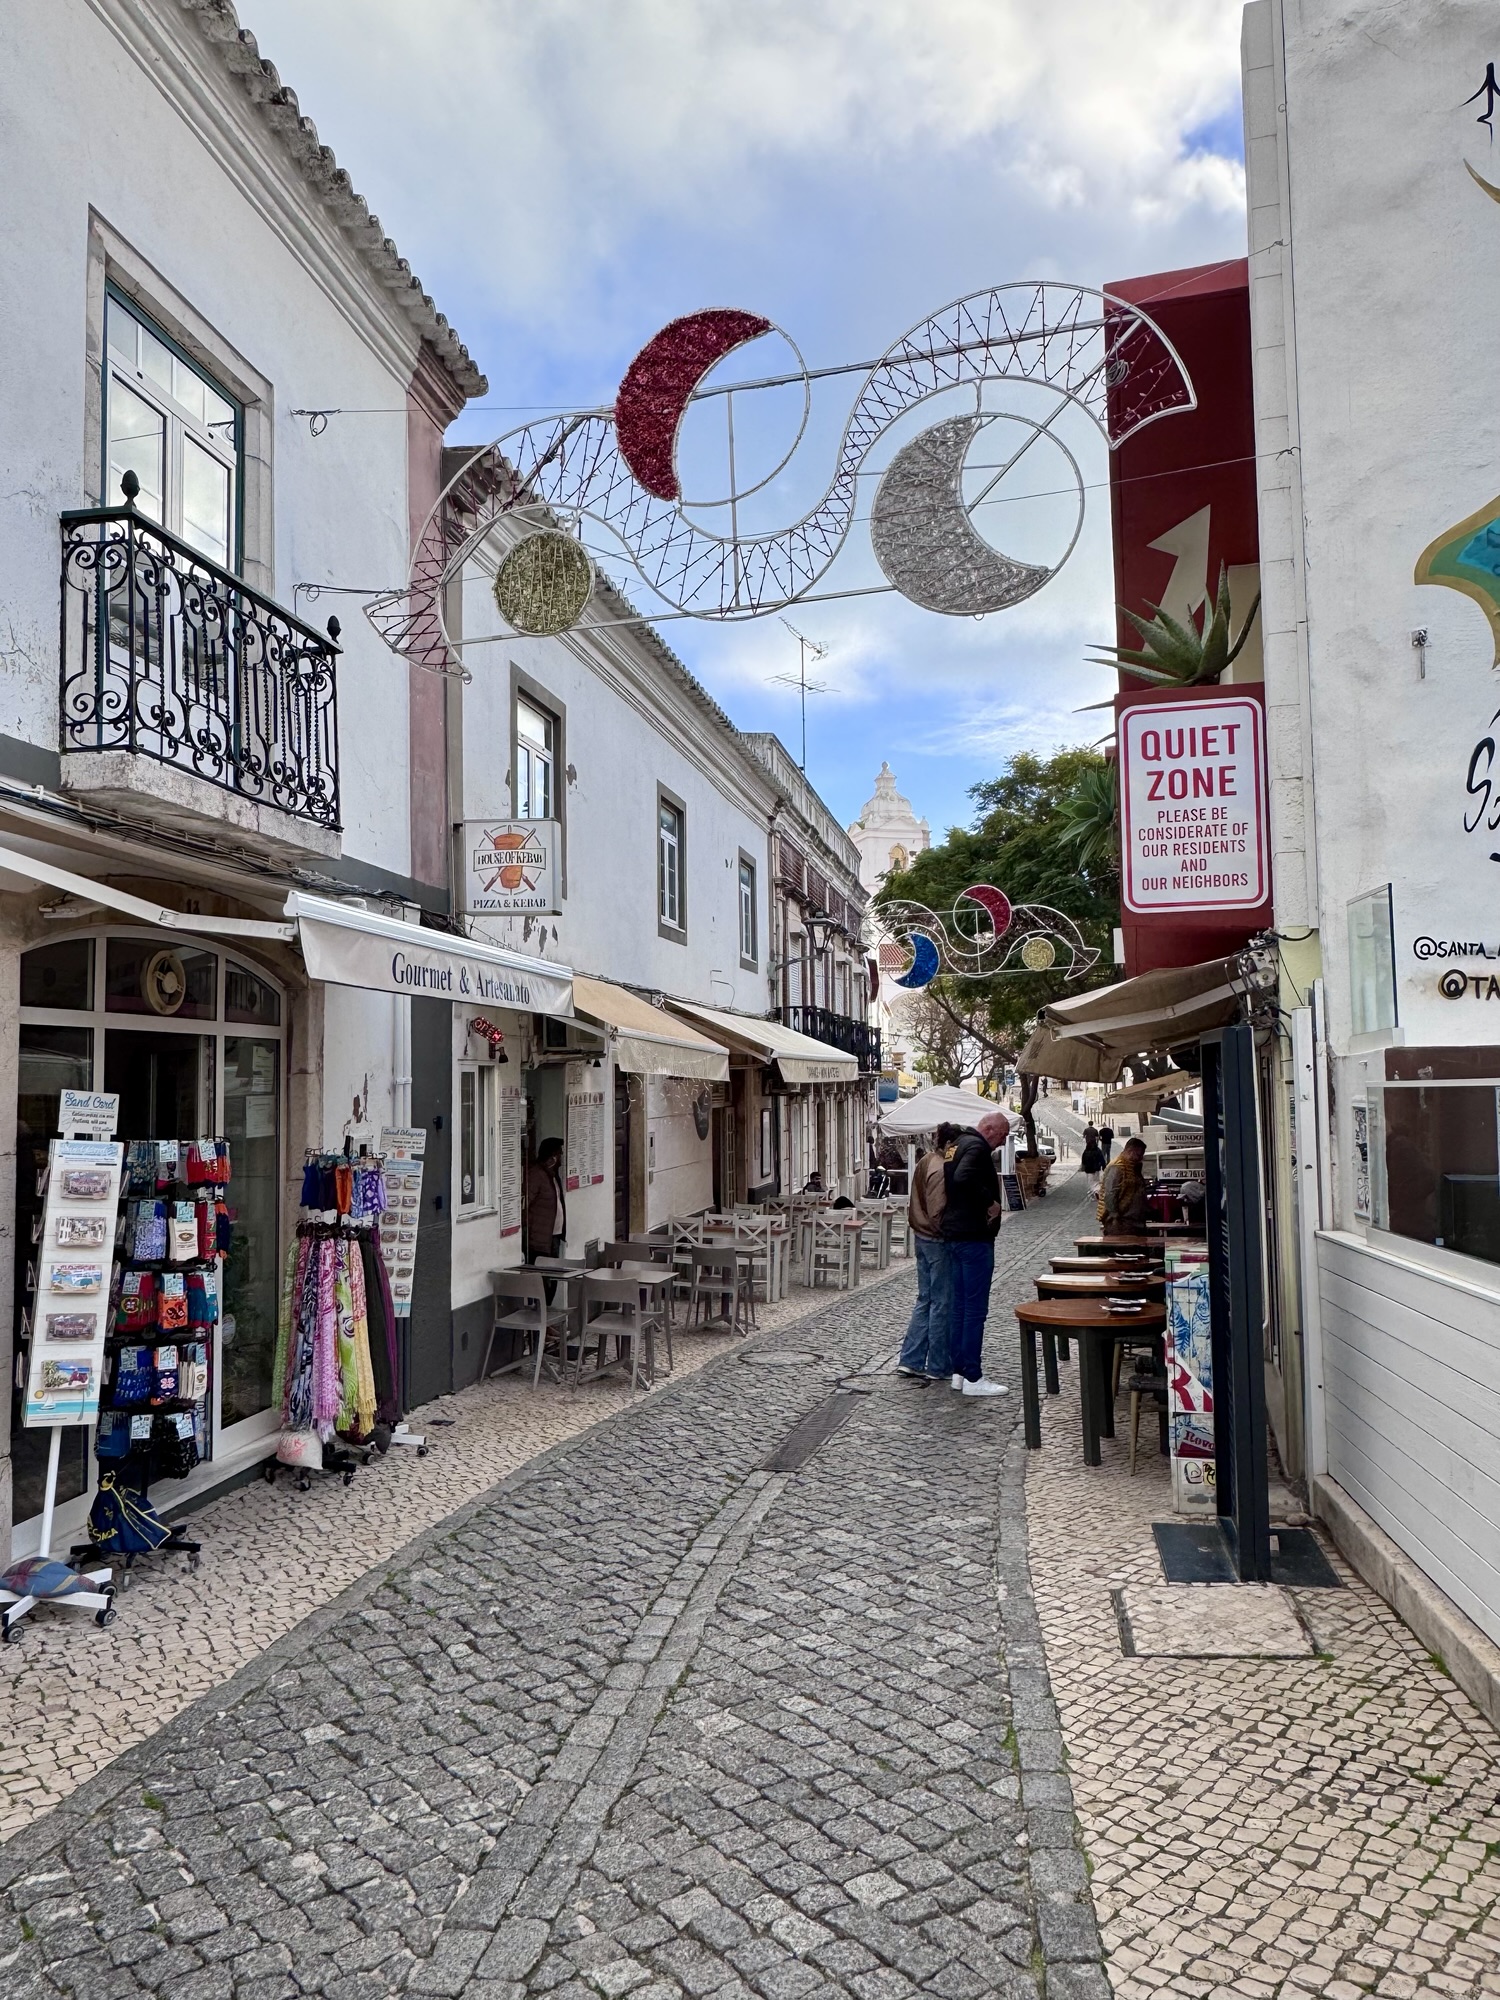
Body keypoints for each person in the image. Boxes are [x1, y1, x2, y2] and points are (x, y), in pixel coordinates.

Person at [941, 1110, 1010, 1398]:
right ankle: (972, 1376)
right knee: (974, 1309)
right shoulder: (977, 1147)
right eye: (1003, 1136)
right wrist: (990, 1202)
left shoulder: (955, 1145)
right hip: (973, 1236)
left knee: (959, 1307)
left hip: (955, 1233)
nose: (1003, 1142)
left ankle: (959, 1372)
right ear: (990, 1130)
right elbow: (963, 1177)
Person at [897, 1122, 959, 1383]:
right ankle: (937, 1364)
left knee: (925, 1299)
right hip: (935, 1239)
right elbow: (937, 1211)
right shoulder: (940, 1168)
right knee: (941, 1302)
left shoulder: (926, 1160)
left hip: (921, 1236)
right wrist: (949, 1231)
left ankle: (910, 1360)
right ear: (949, 1144)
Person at [525, 1138, 567, 1262]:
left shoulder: (552, 1175)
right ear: (553, 1158)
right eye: (560, 1154)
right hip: (540, 1239)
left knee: (554, 1268)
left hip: (554, 1235)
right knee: (544, 1270)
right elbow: (526, 1203)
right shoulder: (536, 1174)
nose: (562, 1158)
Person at [1100, 1135, 1151, 1236]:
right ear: (1130, 1151)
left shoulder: (1132, 1166)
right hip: (1123, 1222)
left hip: (1134, 1221)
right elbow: (1110, 1193)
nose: (1140, 1158)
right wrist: (1114, 1216)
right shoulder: (1117, 1167)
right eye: (1139, 1155)